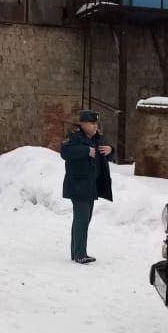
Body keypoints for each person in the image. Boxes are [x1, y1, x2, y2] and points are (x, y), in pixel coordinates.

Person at [60, 110, 113, 265]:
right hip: (78, 185)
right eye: (92, 123)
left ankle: (76, 252)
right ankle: (80, 254)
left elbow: (108, 151)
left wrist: (111, 150)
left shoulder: (97, 137)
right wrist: (85, 150)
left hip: (91, 186)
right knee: (82, 220)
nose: (95, 126)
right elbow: (65, 152)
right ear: (83, 124)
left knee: (84, 219)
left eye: (96, 123)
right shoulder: (75, 136)